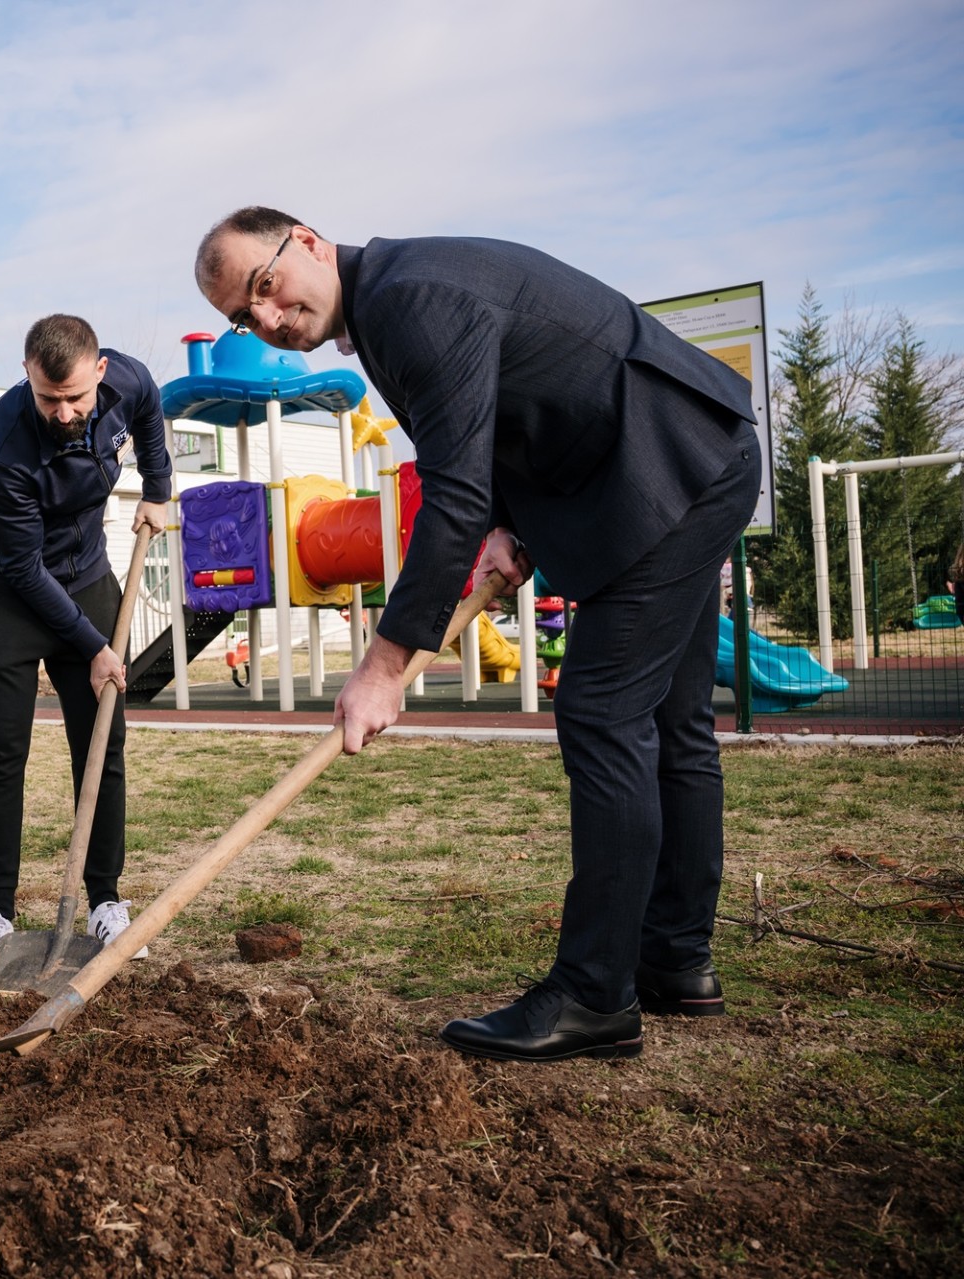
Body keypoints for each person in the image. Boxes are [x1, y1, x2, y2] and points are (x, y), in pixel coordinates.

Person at [196, 211, 761, 1062]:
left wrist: (383, 667)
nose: (268, 322)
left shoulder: (408, 300)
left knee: (605, 715)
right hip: (685, 456)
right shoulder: (386, 303)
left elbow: (451, 496)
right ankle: (675, 959)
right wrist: (504, 521)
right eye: (247, 316)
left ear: (307, 241)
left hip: (666, 468)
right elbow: (485, 435)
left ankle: (594, 994)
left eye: (266, 287)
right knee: (671, 725)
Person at [0, 314, 173, 971]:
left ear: (100, 371)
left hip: (88, 578)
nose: (62, 411)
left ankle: (105, 900)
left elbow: (151, 416)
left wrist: (159, 490)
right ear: (28, 374)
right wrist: (94, 646)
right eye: (48, 398)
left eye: (75, 397)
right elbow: (24, 570)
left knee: (102, 741)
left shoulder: (128, 380)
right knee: (2, 752)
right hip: (5, 592)